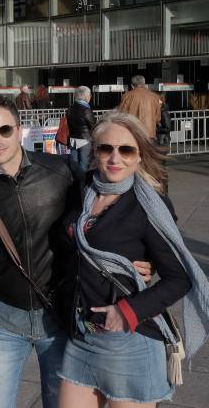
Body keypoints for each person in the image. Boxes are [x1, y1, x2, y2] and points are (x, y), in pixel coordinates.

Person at [58, 111, 209, 407]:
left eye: (126, 150)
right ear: (94, 153)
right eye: (106, 148)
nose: (116, 158)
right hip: (82, 336)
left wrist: (125, 311)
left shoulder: (148, 206)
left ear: (140, 155)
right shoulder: (83, 191)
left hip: (128, 339)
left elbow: (179, 278)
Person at [0, 93, 74, 408]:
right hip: (3, 318)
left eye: (5, 130)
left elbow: (100, 221)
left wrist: (140, 259)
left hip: (57, 315)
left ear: (19, 129)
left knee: (59, 401)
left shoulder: (60, 172)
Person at [66, 86, 96, 180]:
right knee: (84, 163)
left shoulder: (70, 108)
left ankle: (73, 182)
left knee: (74, 162)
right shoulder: (86, 109)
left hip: (73, 139)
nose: (90, 97)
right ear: (86, 96)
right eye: (90, 95)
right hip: (85, 139)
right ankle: (82, 184)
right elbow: (93, 125)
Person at [118, 75, 161, 140]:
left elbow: (121, 115)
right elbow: (158, 118)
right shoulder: (155, 97)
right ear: (144, 84)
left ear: (132, 86)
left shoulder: (127, 96)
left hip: (133, 133)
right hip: (150, 133)